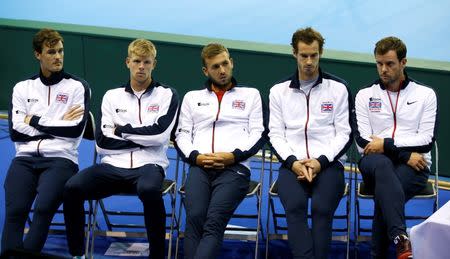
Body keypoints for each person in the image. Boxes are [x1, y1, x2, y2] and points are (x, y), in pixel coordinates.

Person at [63, 38, 179, 259]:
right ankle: (77, 254)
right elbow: (102, 143)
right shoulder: (111, 96)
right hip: (112, 166)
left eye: (147, 62)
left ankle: (157, 255)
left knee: (149, 190)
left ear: (154, 63)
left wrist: (122, 130)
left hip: (149, 165)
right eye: (137, 61)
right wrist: (144, 135)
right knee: (72, 188)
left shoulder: (167, 94)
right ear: (128, 62)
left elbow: (161, 135)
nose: (141, 66)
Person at [1, 28, 90, 255]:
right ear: (38, 55)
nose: (58, 57)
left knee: (42, 210)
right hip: (25, 159)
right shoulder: (22, 88)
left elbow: (75, 130)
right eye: (51, 52)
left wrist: (34, 120)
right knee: (15, 211)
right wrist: (57, 122)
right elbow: (16, 132)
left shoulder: (77, 87)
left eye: (60, 51)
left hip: (61, 160)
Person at [174, 43, 267, 258]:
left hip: (234, 170)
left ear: (232, 63)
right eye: (215, 67)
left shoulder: (251, 95)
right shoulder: (191, 98)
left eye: (225, 64)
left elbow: (259, 134)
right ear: (206, 71)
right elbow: (181, 135)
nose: (222, 70)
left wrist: (233, 156)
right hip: (200, 167)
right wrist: (196, 158)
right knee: (195, 218)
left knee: (213, 221)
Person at [268, 27, 353, 259]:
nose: (308, 61)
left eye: (313, 55)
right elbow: (275, 135)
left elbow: (345, 134)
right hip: (292, 165)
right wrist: (294, 162)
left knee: (320, 210)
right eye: (303, 55)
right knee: (294, 207)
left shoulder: (339, 88)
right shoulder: (278, 91)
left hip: (328, 165)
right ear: (294, 53)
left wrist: (320, 162)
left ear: (321, 53)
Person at [354, 36, 438, 259]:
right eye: (379, 63)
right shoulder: (365, 95)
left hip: (414, 166)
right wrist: (402, 152)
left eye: (390, 63)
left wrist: (386, 144)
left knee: (386, 197)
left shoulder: (425, 95)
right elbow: (363, 141)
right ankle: (401, 237)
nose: (383, 69)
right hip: (374, 163)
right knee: (382, 166)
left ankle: (389, 247)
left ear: (403, 63)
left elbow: (426, 141)